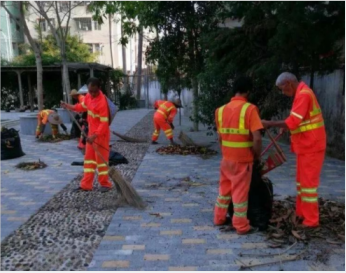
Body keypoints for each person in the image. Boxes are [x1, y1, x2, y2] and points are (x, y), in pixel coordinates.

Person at [261, 72, 326, 228]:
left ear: (289, 83)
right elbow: (299, 121)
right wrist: (287, 127)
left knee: (308, 186)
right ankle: (301, 214)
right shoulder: (301, 93)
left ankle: (311, 221)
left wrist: (269, 123)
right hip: (306, 146)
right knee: (302, 184)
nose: (283, 93)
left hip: (312, 146)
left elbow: (293, 122)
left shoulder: (303, 95)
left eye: (282, 89)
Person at [214, 76, 263, 235]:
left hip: (226, 159)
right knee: (240, 193)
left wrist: (226, 153)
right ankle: (241, 226)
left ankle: (219, 218)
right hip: (243, 160)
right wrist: (257, 155)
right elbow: (257, 137)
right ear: (248, 91)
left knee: (224, 191)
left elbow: (220, 138)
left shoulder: (220, 111)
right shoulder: (250, 109)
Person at [61, 77, 112, 193]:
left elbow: (104, 123)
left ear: (99, 88)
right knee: (89, 160)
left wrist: (95, 135)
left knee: (102, 160)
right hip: (91, 134)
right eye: (90, 91)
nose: (92, 94)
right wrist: (68, 106)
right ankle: (86, 185)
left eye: (94, 91)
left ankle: (105, 184)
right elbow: (81, 107)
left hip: (101, 136)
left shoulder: (102, 101)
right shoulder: (88, 97)